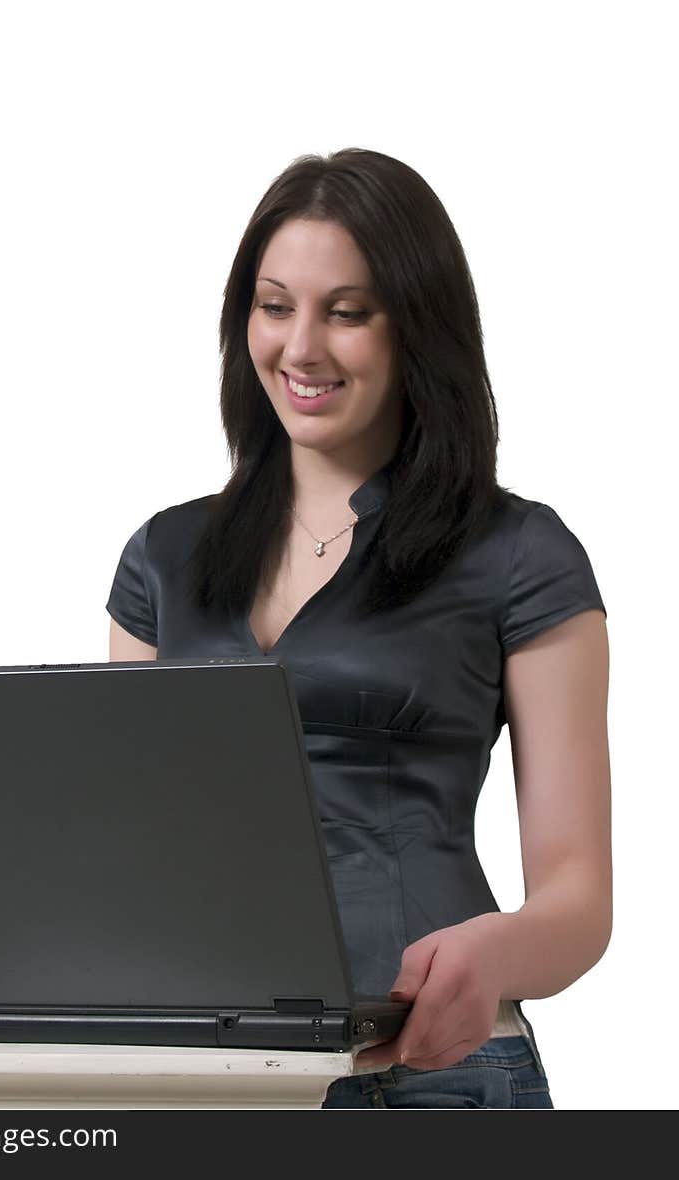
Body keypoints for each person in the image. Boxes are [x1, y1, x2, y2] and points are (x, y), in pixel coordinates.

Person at [105, 148, 611, 1109]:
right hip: (204, 1074)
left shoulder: (519, 554)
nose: (300, 348)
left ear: (418, 328)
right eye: (274, 304)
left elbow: (580, 900)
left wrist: (486, 954)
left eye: (347, 312)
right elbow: (135, 846)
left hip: (433, 1071)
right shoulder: (162, 559)